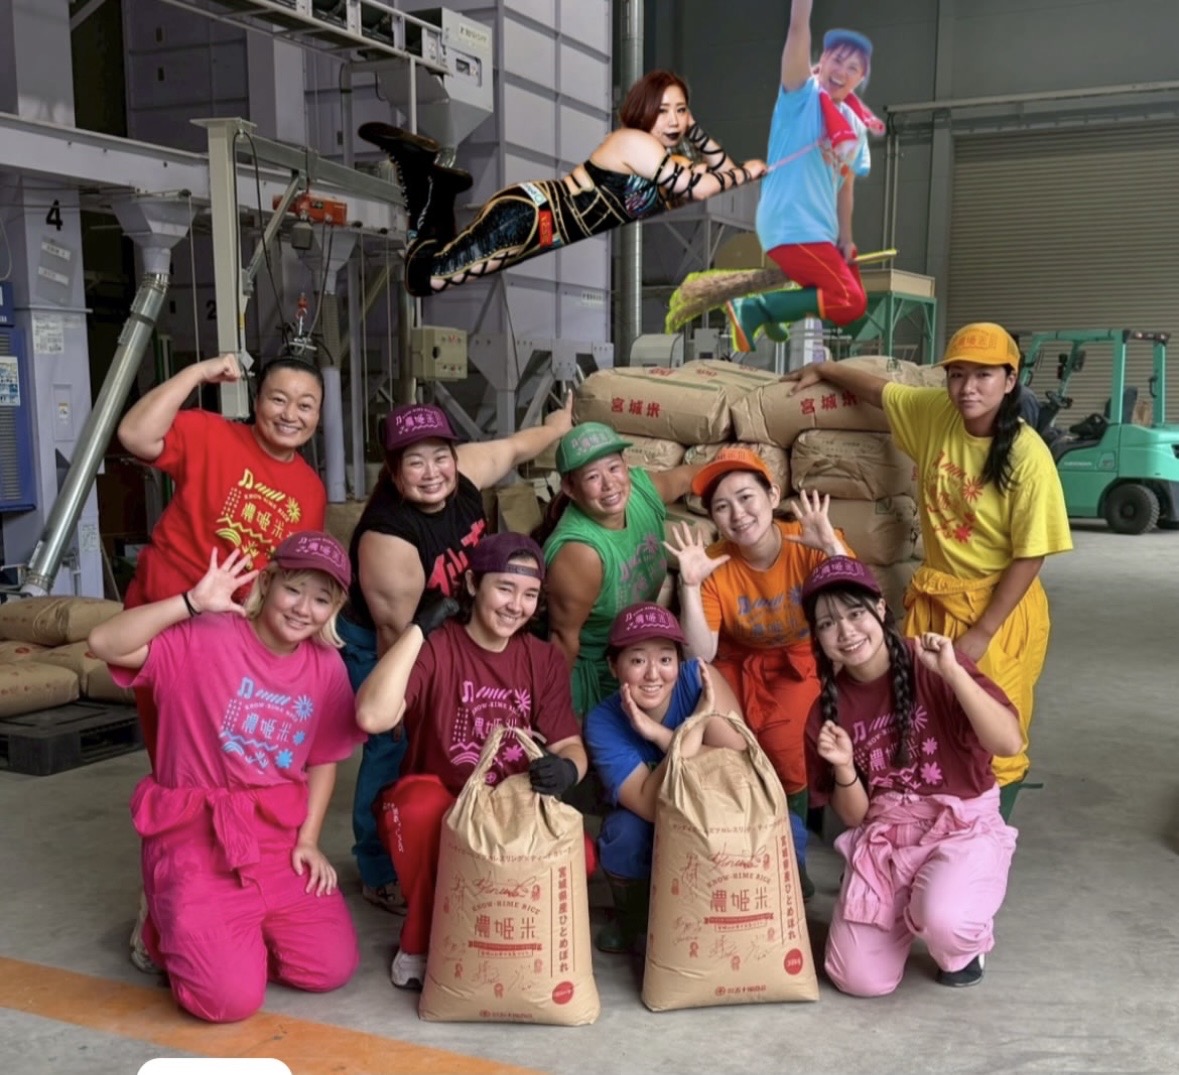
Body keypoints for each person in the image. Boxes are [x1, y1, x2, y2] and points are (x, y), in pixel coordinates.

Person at [784, 322, 1073, 818]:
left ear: (1010, 380)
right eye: (957, 375)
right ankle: (918, 824)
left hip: (998, 608)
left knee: (990, 723)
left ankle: (985, 831)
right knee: (918, 713)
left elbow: (1031, 556)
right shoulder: (937, 413)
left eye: (983, 375)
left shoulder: (1028, 457)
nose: (967, 388)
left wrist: (982, 633)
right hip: (937, 596)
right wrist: (825, 367)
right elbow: (881, 392)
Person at [88, 531, 363, 1023]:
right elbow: (103, 642)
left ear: (335, 608)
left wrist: (309, 840)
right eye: (293, 589)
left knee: (329, 967)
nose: (304, 609)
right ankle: (163, 925)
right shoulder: (205, 635)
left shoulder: (326, 666)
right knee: (227, 1001)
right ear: (268, 582)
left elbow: (325, 757)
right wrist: (190, 603)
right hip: (195, 836)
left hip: (275, 839)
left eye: (322, 599)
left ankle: (226, 936)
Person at [117, 352, 328, 970]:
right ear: (256, 401)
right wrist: (199, 374)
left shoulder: (310, 490)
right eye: (278, 399)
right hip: (171, 626)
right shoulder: (211, 435)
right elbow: (135, 436)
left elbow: (296, 576)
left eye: (306, 405)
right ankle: (159, 908)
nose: (290, 414)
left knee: (234, 772)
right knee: (177, 776)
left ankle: (229, 903)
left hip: (235, 649)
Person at [343, 397, 576, 915]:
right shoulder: (388, 540)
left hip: (449, 622)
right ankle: (379, 869)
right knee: (390, 742)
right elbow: (396, 635)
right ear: (394, 472)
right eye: (414, 462)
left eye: (439, 457)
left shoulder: (463, 475)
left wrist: (558, 426)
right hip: (390, 636)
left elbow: (514, 447)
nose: (432, 473)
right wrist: (407, 707)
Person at [354, 532, 594, 991]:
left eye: (529, 595)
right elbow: (371, 716)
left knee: (580, 856)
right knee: (416, 809)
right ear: (471, 583)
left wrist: (568, 770)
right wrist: (418, 630)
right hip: (443, 806)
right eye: (504, 588)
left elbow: (571, 746)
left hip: (510, 810)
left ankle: (496, 938)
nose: (516, 606)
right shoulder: (439, 646)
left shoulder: (542, 659)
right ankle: (421, 940)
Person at [800, 556, 1021, 995]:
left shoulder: (934, 661)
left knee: (944, 919)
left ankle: (962, 941)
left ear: (881, 609)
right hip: (888, 839)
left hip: (960, 826)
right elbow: (855, 817)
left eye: (855, 613)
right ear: (818, 637)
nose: (845, 631)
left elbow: (1008, 743)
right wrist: (844, 765)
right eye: (827, 624)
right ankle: (904, 903)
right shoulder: (826, 711)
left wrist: (954, 674)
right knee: (857, 980)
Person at [360, 69, 766, 296]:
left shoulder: (666, 166)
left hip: (541, 235)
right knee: (422, 278)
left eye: (681, 110)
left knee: (436, 266)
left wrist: (698, 134)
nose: (674, 120)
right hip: (527, 218)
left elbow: (718, 176)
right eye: (663, 111)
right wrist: (748, 171)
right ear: (644, 111)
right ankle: (416, 169)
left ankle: (439, 188)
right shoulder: (634, 142)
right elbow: (706, 185)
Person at [666, 447, 849, 888]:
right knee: (722, 742)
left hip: (797, 659)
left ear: (772, 495)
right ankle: (742, 850)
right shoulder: (714, 562)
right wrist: (690, 585)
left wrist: (832, 548)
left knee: (787, 745)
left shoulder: (808, 542)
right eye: (722, 507)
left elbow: (860, 608)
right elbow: (699, 653)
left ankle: (792, 857)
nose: (738, 514)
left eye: (746, 497)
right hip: (736, 662)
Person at [583, 602, 751, 954]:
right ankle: (634, 917)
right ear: (614, 666)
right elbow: (649, 804)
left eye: (665, 658)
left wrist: (662, 737)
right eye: (637, 660)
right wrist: (695, 729)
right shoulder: (602, 721)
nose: (653, 674)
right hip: (655, 819)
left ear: (678, 660)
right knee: (623, 833)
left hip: (718, 807)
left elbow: (740, 763)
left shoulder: (699, 679)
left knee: (784, 827)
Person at [725, 0, 880, 351]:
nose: (842, 71)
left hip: (820, 232)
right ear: (822, 59)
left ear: (860, 79)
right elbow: (797, 30)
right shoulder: (800, 94)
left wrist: (846, 239)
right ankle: (758, 309)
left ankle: (777, 313)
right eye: (837, 60)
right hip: (790, 223)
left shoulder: (854, 128)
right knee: (849, 301)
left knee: (851, 292)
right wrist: (801, 8)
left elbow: (845, 187)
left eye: (853, 67)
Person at [542, 422, 701, 718]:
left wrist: (743, 480)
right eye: (592, 477)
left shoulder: (641, 491)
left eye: (614, 468)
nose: (609, 484)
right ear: (570, 488)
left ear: (626, 466)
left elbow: (688, 478)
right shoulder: (580, 552)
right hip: (599, 671)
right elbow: (563, 640)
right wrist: (555, 711)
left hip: (640, 652)